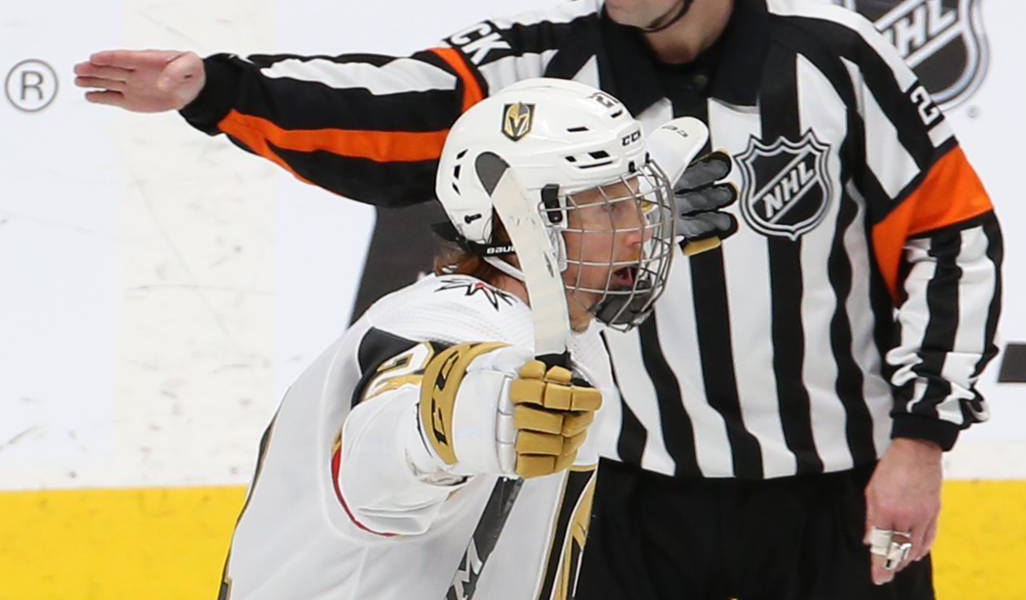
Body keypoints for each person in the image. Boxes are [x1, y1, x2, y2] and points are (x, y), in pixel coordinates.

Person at [75, 0, 1003, 599]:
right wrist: (221, 90)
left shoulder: (838, 60)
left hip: (833, 489)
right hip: (627, 487)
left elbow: (954, 237)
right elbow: (393, 112)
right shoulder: (540, 63)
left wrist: (922, 441)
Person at [217, 77, 685, 599]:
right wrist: (456, 418)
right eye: (611, 208)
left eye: (637, 203)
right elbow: (372, 467)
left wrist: (622, 224)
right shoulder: (445, 324)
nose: (642, 232)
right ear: (521, 221)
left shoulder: (552, 323)